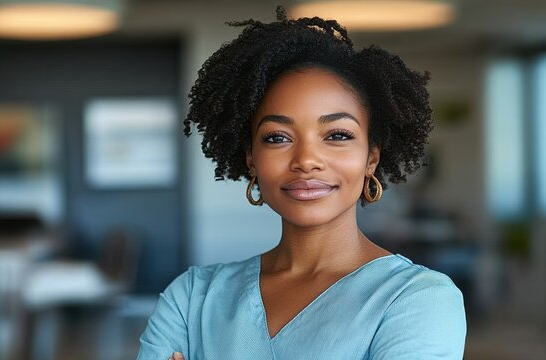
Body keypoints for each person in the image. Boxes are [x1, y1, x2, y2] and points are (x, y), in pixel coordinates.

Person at [137, 6, 466, 360]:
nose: (307, 160)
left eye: (338, 135)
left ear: (371, 156)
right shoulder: (191, 298)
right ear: (251, 158)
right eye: (277, 137)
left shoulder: (418, 299)